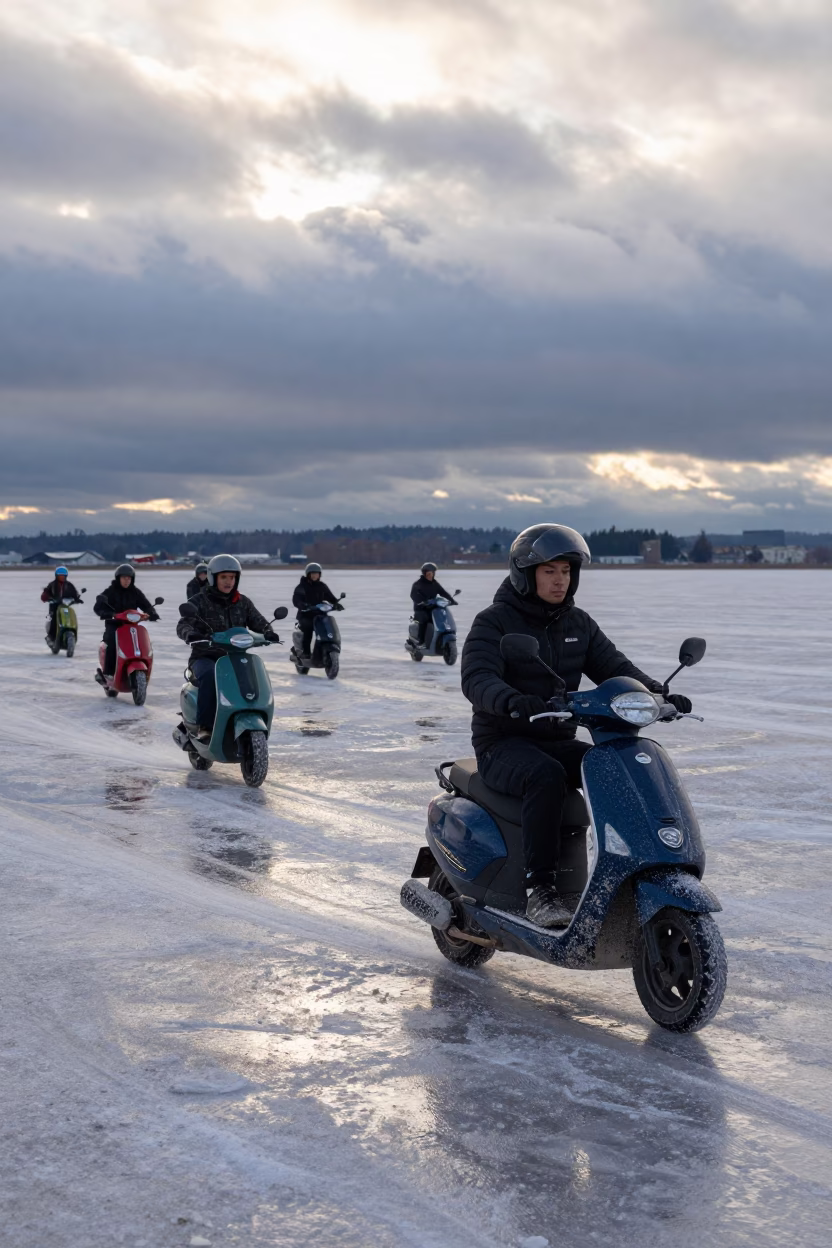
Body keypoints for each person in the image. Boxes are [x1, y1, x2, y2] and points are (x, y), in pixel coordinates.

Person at [460, 524, 692, 929]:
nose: (559, 580)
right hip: (503, 742)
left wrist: (656, 693)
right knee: (545, 775)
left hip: (557, 738)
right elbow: (477, 679)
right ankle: (541, 891)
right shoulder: (494, 622)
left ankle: (632, 867)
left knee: (614, 764)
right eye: (549, 571)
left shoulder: (578, 624)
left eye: (566, 571)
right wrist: (513, 701)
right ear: (525, 573)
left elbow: (614, 667)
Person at [176, 554, 276, 740]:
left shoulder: (242, 602)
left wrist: (268, 632)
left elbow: (258, 621)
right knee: (209, 675)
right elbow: (183, 624)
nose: (229, 581)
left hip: (236, 657)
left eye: (232, 577)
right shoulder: (199, 601)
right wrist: (191, 634)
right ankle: (205, 726)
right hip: (205, 657)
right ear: (214, 577)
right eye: (224, 577)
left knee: (254, 676)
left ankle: (249, 716)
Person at [94, 564, 160, 681]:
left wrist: (152, 613)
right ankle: (108, 673)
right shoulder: (110, 591)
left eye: (129, 578)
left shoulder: (135, 592)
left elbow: (146, 605)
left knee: (142, 642)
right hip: (114, 625)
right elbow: (98, 607)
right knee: (112, 643)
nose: (126, 580)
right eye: (124, 577)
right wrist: (110, 615)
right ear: (118, 578)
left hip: (131, 625)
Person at [292, 563, 342, 658]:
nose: (315, 575)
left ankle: (324, 648)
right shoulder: (302, 586)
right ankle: (306, 652)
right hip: (306, 614)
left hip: (320, 614)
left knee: (327, 628)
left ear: (320, 575)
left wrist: (336, 604)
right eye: (312, 573)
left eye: (317, 573)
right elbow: (296, 600)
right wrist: (303, 605)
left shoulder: (322, 586)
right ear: (308, 574)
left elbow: (330, 597)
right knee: (308, 630)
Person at [410, 563, 457, 646]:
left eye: (432, 573)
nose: (430, 575)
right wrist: (422, 601)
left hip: (433, 607)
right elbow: (413, 595)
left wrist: (451, 600)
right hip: (421, 608)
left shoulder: (434, 583)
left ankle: (438, 639)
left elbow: (443, 592)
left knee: (443, 617)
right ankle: (421, 641)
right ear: (424, 574)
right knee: (425, 619)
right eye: (428, 573)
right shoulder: (418, 584)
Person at [41, 566, 82, 641]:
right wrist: (46, 597)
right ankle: (51, 637)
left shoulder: (69, 585)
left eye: (63, 576)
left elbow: (74, 593)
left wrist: (77, 599)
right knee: (54, 620)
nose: (61, 577)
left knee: (69, 616)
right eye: (60, 576)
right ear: (56, 576)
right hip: (54, 606)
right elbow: (46, 593)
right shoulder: (52, 585)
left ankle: (71, 629)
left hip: (65, 606)